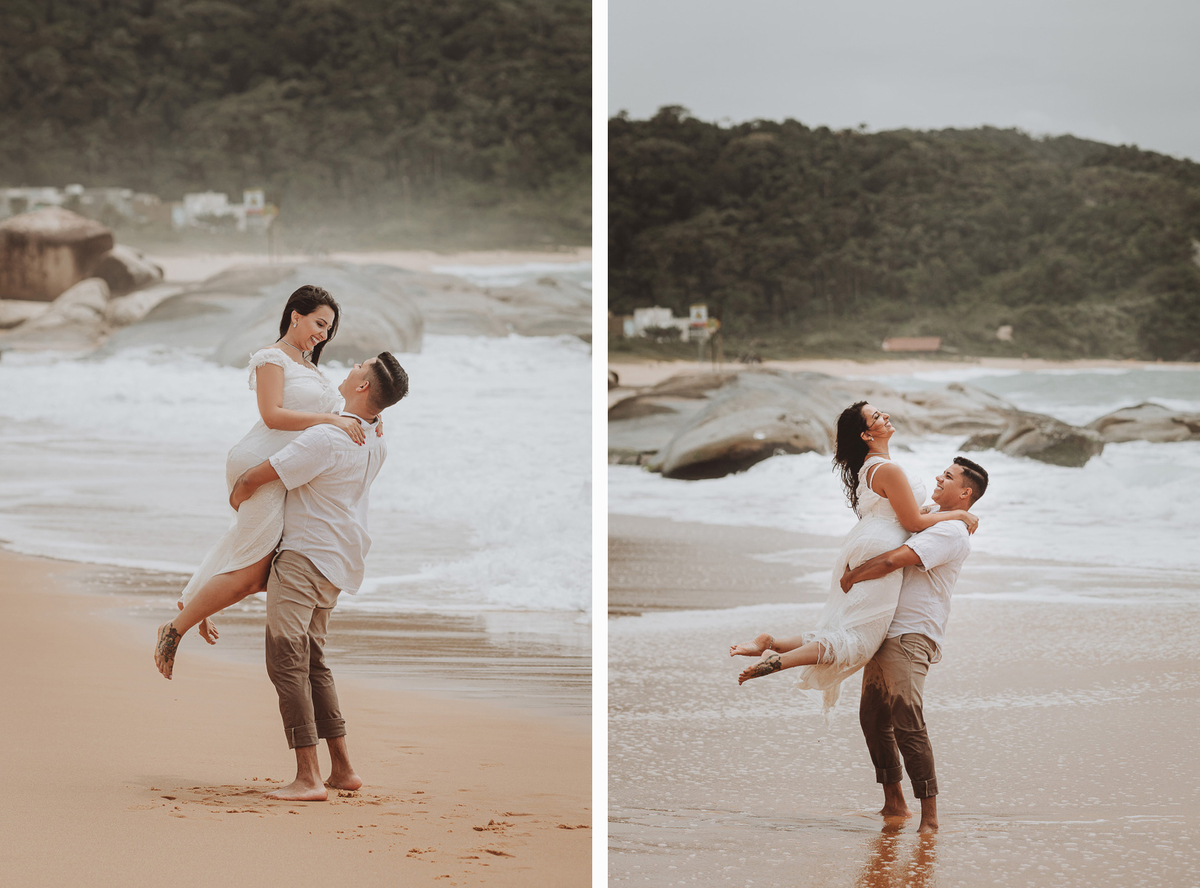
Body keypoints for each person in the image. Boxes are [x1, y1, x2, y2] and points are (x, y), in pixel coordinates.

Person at [154, 285, 376, 679]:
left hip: (282, 467)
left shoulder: (309, 368)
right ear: (296, 315)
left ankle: (194, 606)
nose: (323, 334)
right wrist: (330, 419)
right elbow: (273, 416)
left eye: (329, 329)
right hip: (258, 461)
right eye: (319, 324)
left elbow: (337, 414)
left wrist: (371, 419)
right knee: (254, 571)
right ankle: (175, 629)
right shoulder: (271, 358)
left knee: (249, 558)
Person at [227, 351, 408, 800]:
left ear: (364, 387)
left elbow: (259, 477)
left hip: (305, 557)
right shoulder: (376, 439)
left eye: (358, 368)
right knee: (313, 662)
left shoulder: (327, 438)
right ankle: (342, 769)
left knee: (285, 660)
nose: (349, 369)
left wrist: (238, 496)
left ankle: (308, 776)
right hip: (337, 560)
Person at [730, 401, 977, 710]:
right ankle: (780, 660)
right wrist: (955, 515)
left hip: (867, 542)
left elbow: (902, 513)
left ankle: (773, 643)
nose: (885, 416)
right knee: (860, 640)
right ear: (865, 434)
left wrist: (935, 512)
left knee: (848, 626)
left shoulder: (873, 467)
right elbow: (912, 522)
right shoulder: (886, 468)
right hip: (879, 549)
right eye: (876, 416)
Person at [840, 456, 987, 833]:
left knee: (908, 721)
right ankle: (894, 802)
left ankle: (930, 818)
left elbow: (894, 560)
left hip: (910, 635)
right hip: (886, 629)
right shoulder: (936, 520)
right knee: (873, 719)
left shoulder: (951, 533)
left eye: (949, 477)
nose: (940, 477)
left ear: (965, 492)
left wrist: (852, 577)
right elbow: (900, 523)